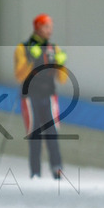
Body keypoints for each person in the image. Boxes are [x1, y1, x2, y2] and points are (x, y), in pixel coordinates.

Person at [14, 13, 68, 179]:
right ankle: (35, 172)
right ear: (37, 27)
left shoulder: (54, 48)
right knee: (35, 135)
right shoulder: (23, 48)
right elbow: (19, 75)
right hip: (30, 96)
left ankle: (57, 168)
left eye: (51, 27)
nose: (49, 30)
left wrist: (61, 64)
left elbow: (62, 79)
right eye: (46, 26)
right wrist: (31, 59)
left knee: (52, 133)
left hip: (49, 95)